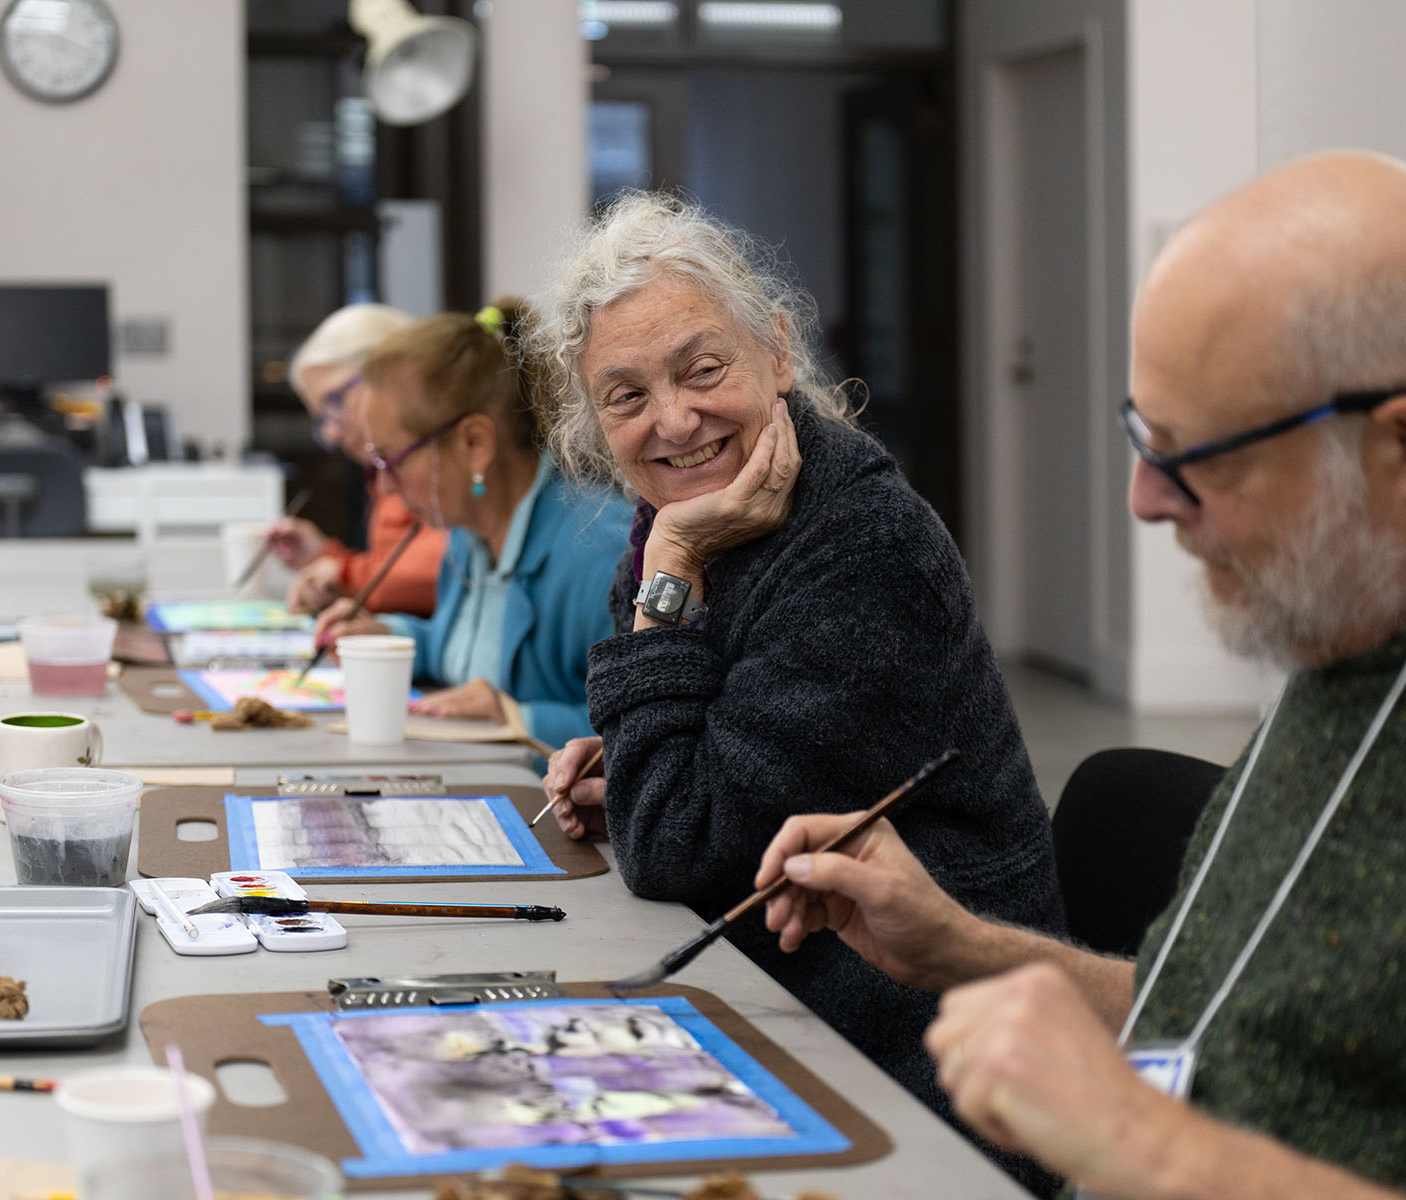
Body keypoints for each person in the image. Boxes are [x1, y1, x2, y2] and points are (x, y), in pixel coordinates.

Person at [756, 150, 1406, 1197]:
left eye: (1203, 458)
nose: (1146, 499)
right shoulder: (1341, 644)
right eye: (1142, 436)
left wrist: (1145, 1143)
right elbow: (1211, 1023)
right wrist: (960, 947)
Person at [533, 193, 1063, 1187]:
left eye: (702, 370)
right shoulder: (677, 528)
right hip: (778, 1006)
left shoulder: (860, 547)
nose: (675, 420)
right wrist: (642, 763)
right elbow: (685, 800)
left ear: (776, 352)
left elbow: (675, 844)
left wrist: (673, 585)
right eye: (627, 396)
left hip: (928, 1077)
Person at [317, 300, 631, 750]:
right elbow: (468, 654)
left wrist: (518, 718)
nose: (384, 487)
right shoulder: (468, 531)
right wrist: (393, 636)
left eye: (393, 460)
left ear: (474, 443)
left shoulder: (601, 550)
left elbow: (651, 733)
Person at [264, 304, 446, 616]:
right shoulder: (383, 474)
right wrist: (325, 558)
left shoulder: (445, 453)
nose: (332, 434)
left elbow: (445, 567)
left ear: (391, 371)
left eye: (334, 401)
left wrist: (344, 572)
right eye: (321, 419)